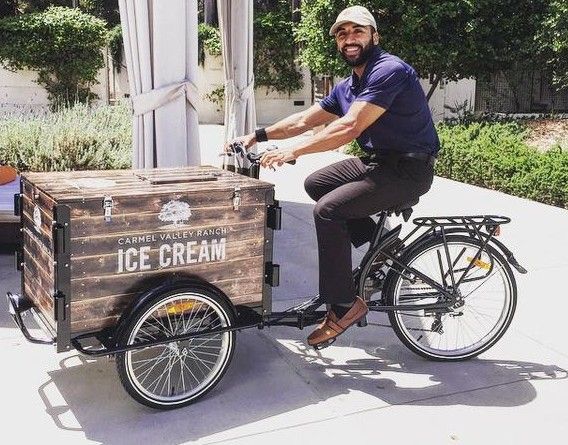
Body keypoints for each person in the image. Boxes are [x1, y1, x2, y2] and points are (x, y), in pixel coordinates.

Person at [225, 5, 439, 348]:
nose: (349, 39)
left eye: (357, 31)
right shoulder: (350, 84)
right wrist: (257, 136)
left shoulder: (389, 70)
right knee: (317, 184)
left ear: (374, 36)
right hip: (380, 163)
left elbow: (350, 126)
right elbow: (304, 121)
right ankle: (381, 243)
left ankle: (343, 305)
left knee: (329, 210)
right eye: (342, 34)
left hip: (409, 170)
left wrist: (295, 151)